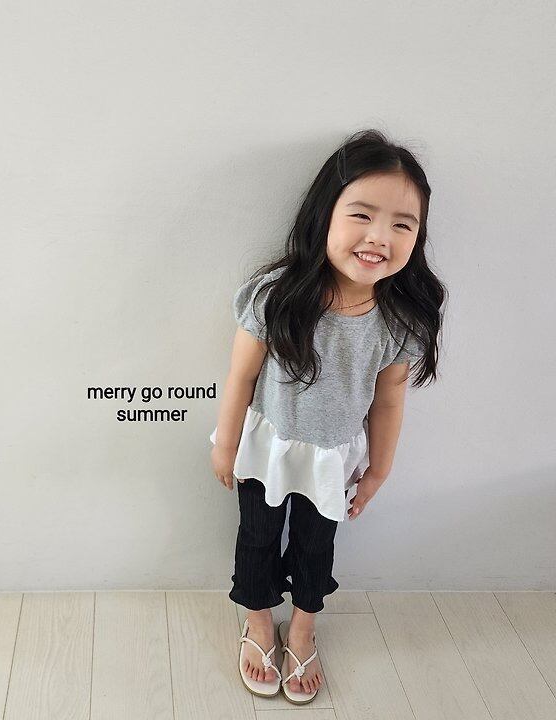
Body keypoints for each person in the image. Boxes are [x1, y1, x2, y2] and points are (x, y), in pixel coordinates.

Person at [209, 129, 447, 704]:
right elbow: (240, 377)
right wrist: (225, 443)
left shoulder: (398, 321)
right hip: (266, 449)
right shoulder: (276, 296)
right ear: (325, 215)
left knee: (316, 547)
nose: (379, 237)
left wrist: (379, 470)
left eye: (402, 224)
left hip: (333, 460)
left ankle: (304, 628)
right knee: (257, 537)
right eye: (362, 215)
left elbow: (389, 401)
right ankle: (259, 621)